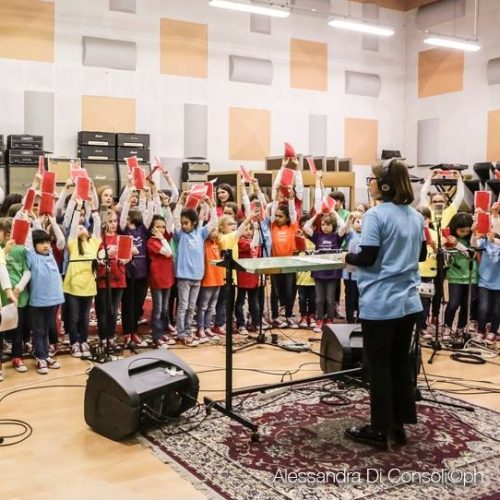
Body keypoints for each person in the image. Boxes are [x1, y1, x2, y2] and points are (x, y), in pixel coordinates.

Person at [342, 159, 426, 450]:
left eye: (373, 179)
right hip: (408, 303)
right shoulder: (416, 217)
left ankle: (378, 428)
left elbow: (367, 258)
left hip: (381, 303)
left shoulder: (376, 215)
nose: (371, 184)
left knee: (377, 367)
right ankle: (398, 426)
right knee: (400, 364)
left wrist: (346, 258)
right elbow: (422, 254)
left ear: (385, 184)